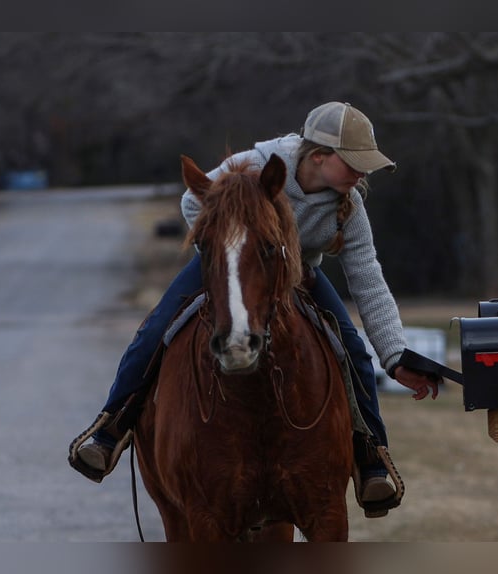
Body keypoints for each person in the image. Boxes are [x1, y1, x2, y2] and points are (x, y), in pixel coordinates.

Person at [69, 101, 439, 516]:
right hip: (230, 262)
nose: (361, 173)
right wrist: (229, 253)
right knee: (156, 329)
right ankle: (108, 430)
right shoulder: (255, 164)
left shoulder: (348, 205)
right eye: (354, 163)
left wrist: (394, 356)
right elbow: (193, 204)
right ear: (319, 157)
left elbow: (367, 278)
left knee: (350, 347)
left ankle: (372, 459)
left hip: (300, 273)